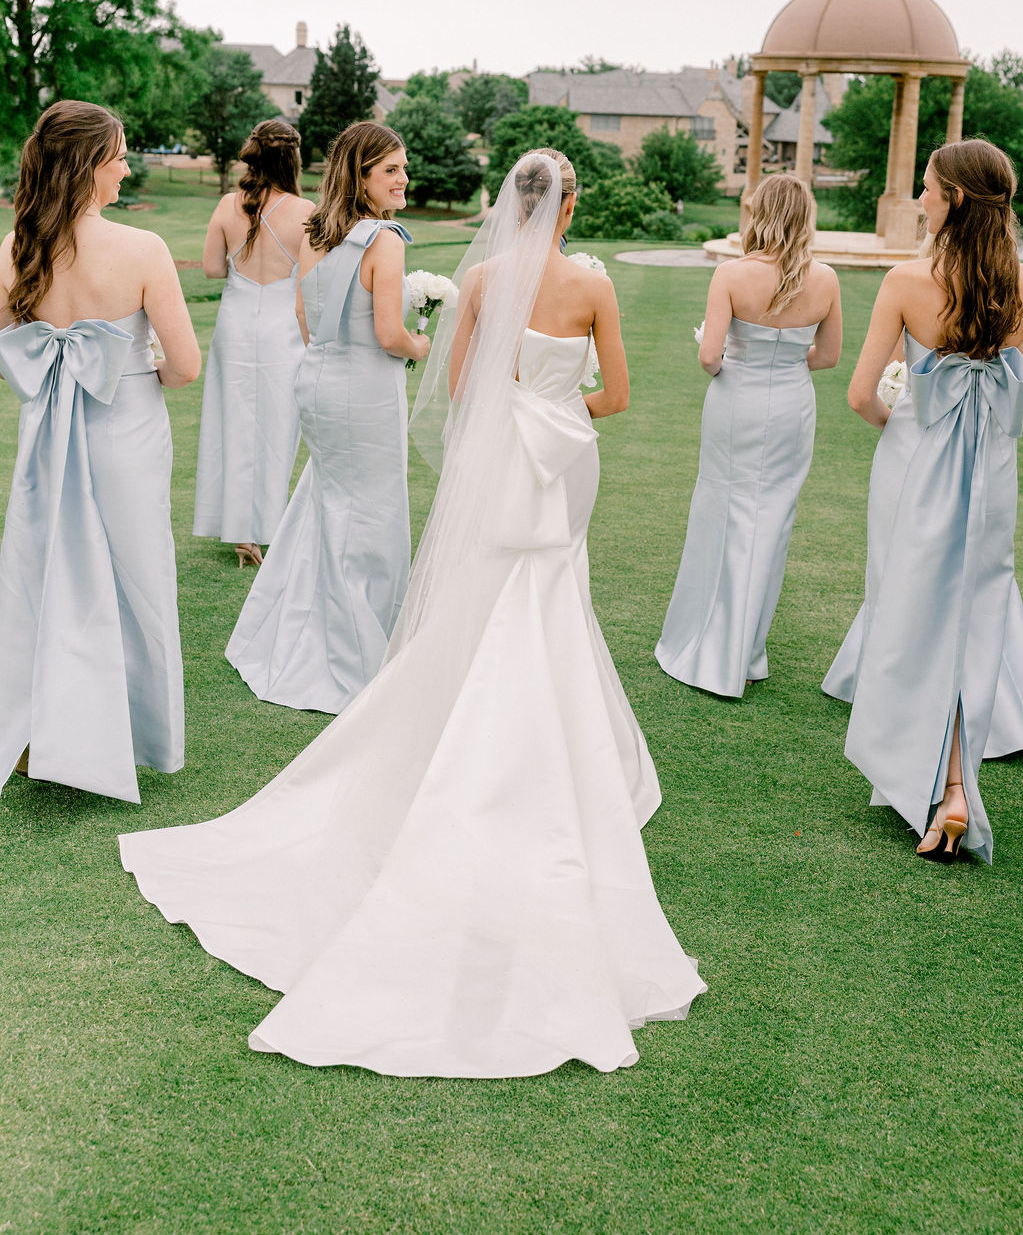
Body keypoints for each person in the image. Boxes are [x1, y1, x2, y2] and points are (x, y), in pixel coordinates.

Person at [119, 149, 705, 1077]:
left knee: (483, 601)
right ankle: (544, 756)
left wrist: (516, 408)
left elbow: (464, 389)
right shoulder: (593, 287)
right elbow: (619, 398)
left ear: (510, 205)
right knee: (552, 599)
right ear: (567, 207)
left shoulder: (483, 279)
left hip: (501, 461)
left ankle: (456, 738)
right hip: (561, 461)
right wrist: (557, 410)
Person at [0, 101, 200, 802]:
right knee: (137, 579)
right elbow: (186, 366)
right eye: (118, 156)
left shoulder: (14, 247)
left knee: (47, 576)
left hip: (47, 433)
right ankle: (142, 737)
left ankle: (38, 733)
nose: (126, 169)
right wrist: (135, 370)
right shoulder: (142, 249)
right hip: (126, 430)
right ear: (88, 165)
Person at [840, 139, 1023, 863]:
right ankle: (954, 786)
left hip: (915, 465)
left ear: (955, 199)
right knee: (971, 619)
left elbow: (861, 395)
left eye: (928, 188)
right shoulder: (1017, 283)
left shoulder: (907, 281)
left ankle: (926, 777)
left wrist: (908, 423)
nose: (920, 199)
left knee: (907, 616)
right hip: (991, 471)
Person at [224, 122, 428, 713]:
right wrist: (420, 344)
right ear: (360, 175)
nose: (403, 178)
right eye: (390, 169)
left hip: (317, 381)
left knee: (328, 503)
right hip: (365, 391)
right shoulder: (385, 240)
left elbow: (302, 315)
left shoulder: (317, 233)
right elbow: (389, 335)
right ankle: (355, 648)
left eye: (403, 167)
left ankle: (302, 632)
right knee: (372, 514)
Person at [655, 173, 842, 697]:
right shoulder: (826, 279)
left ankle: (713, 646)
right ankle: (748, 651)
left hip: (736, 404)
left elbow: (710, 356)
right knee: (773, 520)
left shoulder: (732, 275)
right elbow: (828, 357)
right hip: (792, 408)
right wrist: (784, 364)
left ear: (760, 214)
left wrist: (737, 364)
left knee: (722, 513)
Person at [193, 120, 313, 567]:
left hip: (236, 325)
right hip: (283, 328)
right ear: (293, 159)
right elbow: (310, 282)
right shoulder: (306, 211)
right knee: (278, 427)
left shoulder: (228, 204)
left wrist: (243, 261)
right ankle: (266, 527)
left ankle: (240, 532)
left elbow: (211, 268)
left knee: (232, 422)